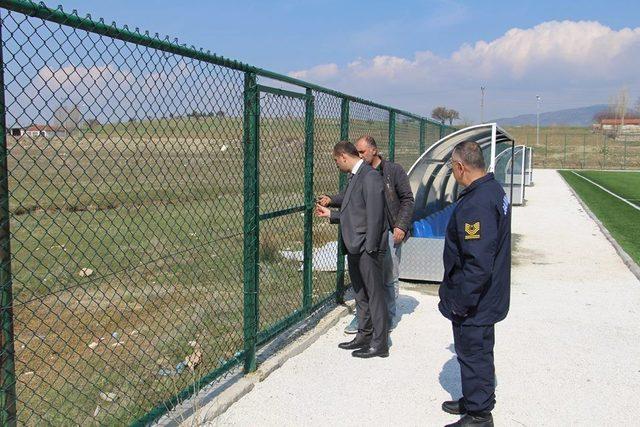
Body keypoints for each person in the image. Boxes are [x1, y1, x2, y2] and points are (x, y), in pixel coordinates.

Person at [439, 141, 511, 427]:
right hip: (488, 295)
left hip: (476, 299)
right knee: (478, 349)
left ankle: (480, 415)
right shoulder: (492, 189)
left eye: (451, 168)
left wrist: (461, 302)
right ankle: (474, 398)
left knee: (473, 352)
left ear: (460, 167)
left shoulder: (477, 203)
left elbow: (477, 262)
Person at [319, 135, 414, 334]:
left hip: (389, 230)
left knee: (388, 276)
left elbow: (407, 199)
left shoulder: (392, 171)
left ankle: (386, 318)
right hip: (369, 233)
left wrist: (401, 225)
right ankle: (366, 319)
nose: (359, 155)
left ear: (374, 150)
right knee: (368, 280)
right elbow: (350, 199)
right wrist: (332, 200)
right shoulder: (358, 174)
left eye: (362, 152)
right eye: (357, 152)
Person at [316, 141, 389, 358]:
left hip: (367, 247)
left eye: (336, 160)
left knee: (375, 294)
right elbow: (354, 211)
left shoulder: (370, 176)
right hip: (355, 246)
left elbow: (375, 216)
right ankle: (364, 335)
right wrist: (331, 215)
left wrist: (371, 247)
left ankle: (380, 343)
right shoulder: (356, 177)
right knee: (360, 293)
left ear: (343, 157)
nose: (336, 164)